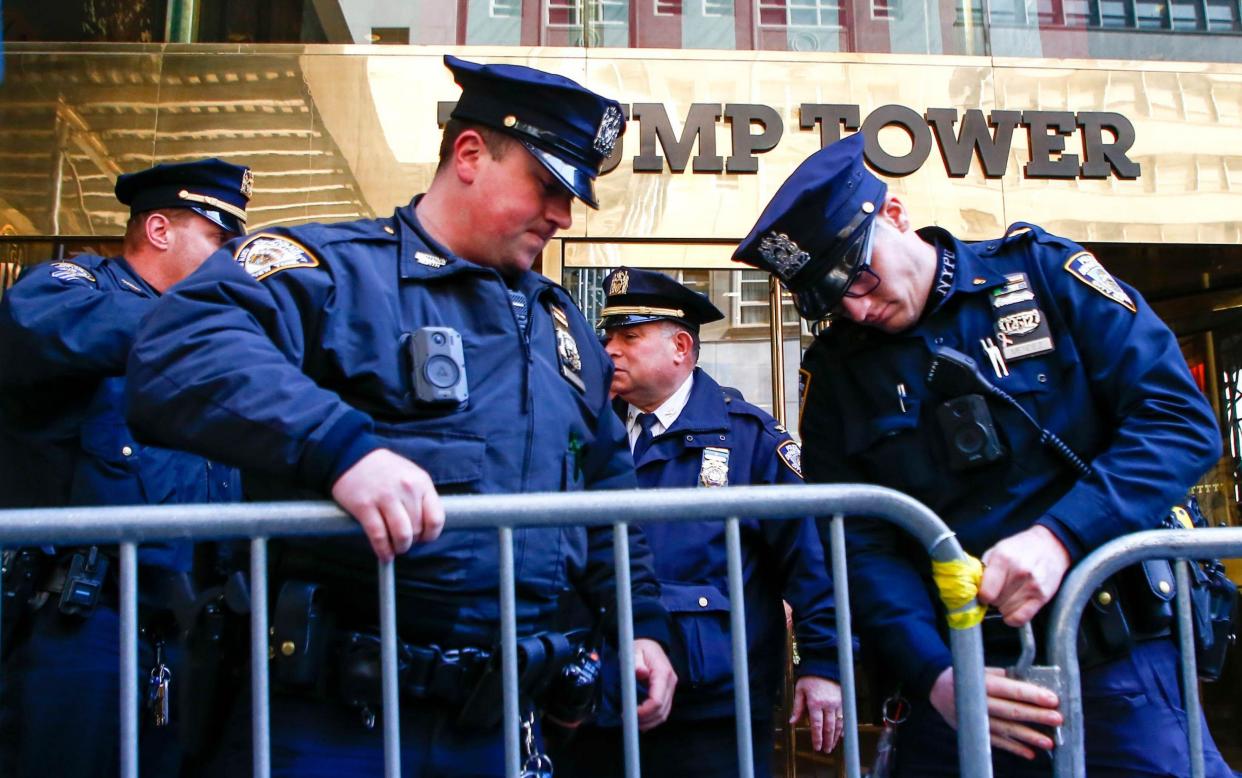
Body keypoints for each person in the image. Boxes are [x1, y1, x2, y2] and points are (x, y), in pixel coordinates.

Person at [124, 56, 676, 776]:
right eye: (546, 185)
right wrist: (341, 450)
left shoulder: (561, 326)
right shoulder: (331, 270)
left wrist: (641, 626)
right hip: (332, 723)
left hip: (496, 723)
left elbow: (606, 488)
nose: (562, 214)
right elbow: (179, 352)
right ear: (470, 154)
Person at [732, 132, 1233, 777]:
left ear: (894, 214)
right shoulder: (836, 375)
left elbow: (1178, 421)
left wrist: (1060, 537)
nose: (858, 307)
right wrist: (934, 673)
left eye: (857, 275)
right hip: (958, 681)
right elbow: (858, 539)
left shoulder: (1044, 275)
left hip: (1113, 656)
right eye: (832, 301)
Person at [0, 159, 251, 777]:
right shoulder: (72, 290)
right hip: (81, 624)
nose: (231, 260)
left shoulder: (216, 341)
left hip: (190, 630)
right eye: (219, 240)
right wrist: (215, 326)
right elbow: (36, 327)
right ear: (160, 230)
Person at [556, 267, 844, 777]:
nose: (610, 350)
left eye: (630, 336)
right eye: (607, 336)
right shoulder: (587, 431)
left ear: (680, 347)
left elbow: (810, 558)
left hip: (712, 710)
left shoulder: (748, 438)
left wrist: (823, 663)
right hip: (596, 698)